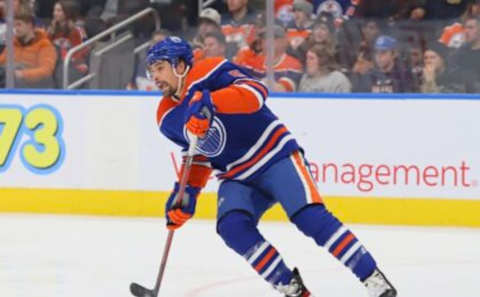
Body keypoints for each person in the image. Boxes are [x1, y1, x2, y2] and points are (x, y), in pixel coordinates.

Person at [146, 35, 397, 297]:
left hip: (274, 153)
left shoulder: (211, 70)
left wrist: (212, 102)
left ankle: (372, 278)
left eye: (160, 68)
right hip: (237, 175)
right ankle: (292, 288)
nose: (155, 76)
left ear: (180, 65)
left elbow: (256, 93)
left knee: (309, 217)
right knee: (232, 227)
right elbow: (197, 153)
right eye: (151, 70)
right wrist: (186, 194)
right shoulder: (166, 115)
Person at [0, 6, 57, 88]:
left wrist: (21, 74)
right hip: (11, 82)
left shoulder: (44, 45)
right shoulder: (13, 44)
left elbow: (46, 71)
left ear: (30, 25)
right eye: (14, 25)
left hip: (34, 86)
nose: (16, 29)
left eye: (19, 25)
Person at [235, 25, 303, 92]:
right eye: (264, 39)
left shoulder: (293, 64)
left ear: (283, 42)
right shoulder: (252, 59)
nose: (265, 43)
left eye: (270, 39)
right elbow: (237, 80)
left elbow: (282, 90)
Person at [47, 0, 88, 76]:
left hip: (71, 66)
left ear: (68, 12)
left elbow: (80, 52)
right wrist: (50, 32)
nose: (55, 13)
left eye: (59, 11)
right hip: (55, 64)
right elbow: (46, 46)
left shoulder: (77, 30)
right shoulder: (52, 28)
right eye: (54, 10)